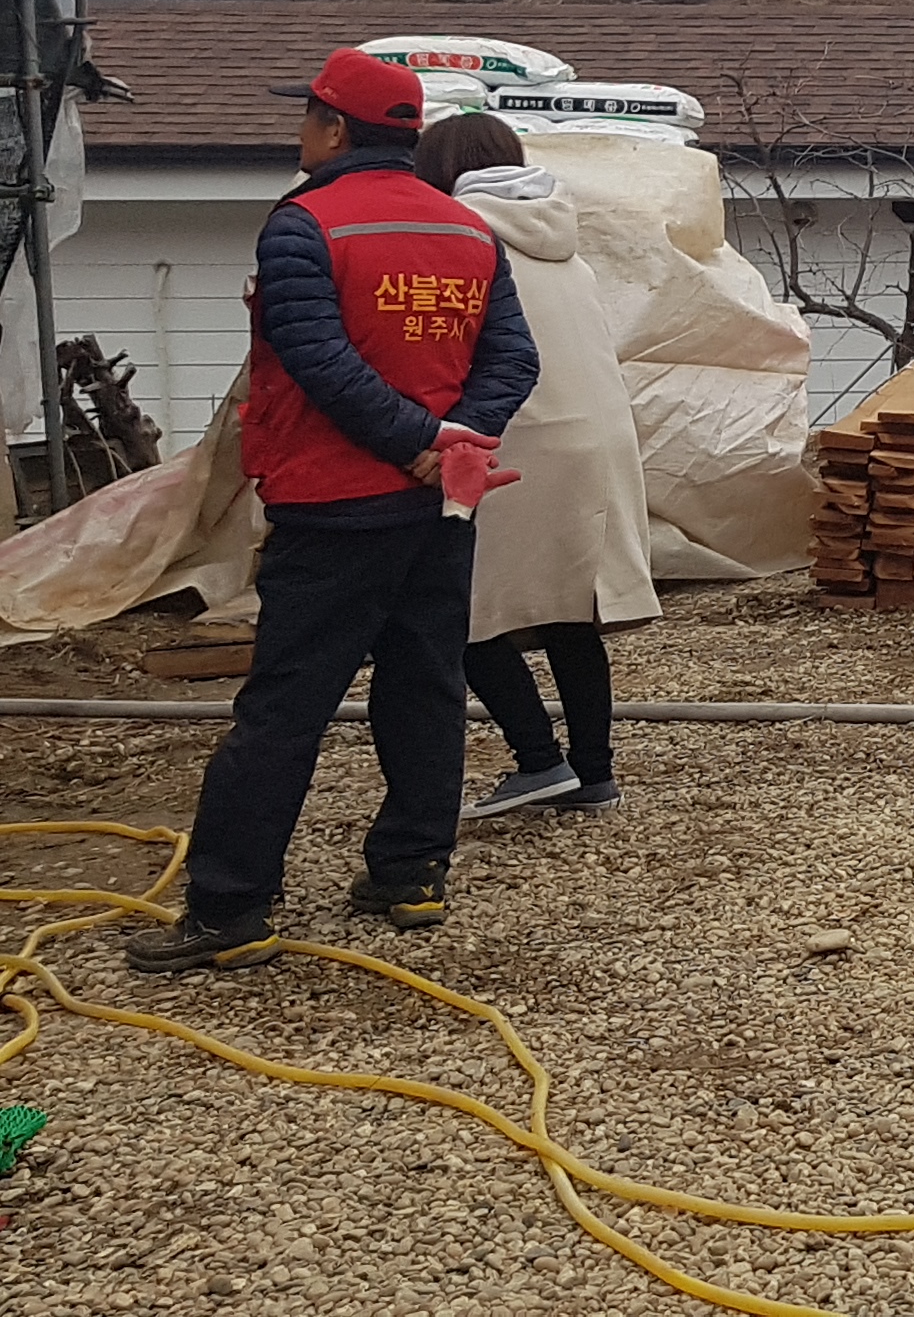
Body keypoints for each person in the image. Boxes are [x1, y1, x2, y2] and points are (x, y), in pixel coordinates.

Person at [127, 51, 538, 975]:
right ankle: (411, 874)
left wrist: (416, 441)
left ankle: (230, 907)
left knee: (285, 706)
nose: (301, 132)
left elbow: (317, 359)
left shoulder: (304, 223)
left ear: (337, 129)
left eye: (308, 116)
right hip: (439, 509)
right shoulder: (468, 229)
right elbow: (513, 359)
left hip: (334, 504)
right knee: (425, 685)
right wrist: (452, 443)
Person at [410, 111, 657, 821]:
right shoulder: (564, 241)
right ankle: (593, 773)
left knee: (461, 608)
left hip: (519, 434)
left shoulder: (459, 237)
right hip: (599, 436)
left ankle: (538, 759)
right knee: (569, 610)